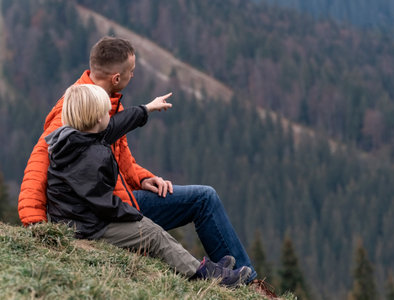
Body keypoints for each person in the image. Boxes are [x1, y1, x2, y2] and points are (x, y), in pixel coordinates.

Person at [18, 36, 271, 290]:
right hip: (102, 214)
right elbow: (37, 167)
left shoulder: (105, 107)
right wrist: (38, 227)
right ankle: (229, 281)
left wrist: (142, 177)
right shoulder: (74, 112)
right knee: (158, 229)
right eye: (132, 71)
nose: (134, 75)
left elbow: (121, 158)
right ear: (117, 78)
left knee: (204, 198)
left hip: (114, 203)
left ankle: (242, 278)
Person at [45, 83, 251, 286]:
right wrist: (134, 215)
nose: (111, 116)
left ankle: (208, 268)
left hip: (74, 219)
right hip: (86, 227)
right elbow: (103, 204)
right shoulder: (91, 155)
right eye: (107, 112)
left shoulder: (73, 138)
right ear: (98, 118)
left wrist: (146, 109)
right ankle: (204, 274)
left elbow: (118, 124)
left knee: (150, 228)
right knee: (152, 233)